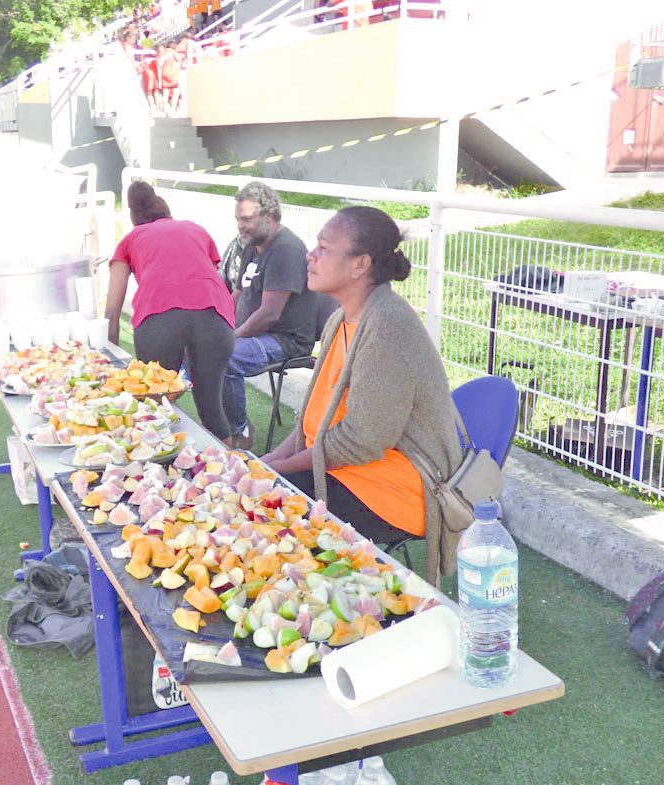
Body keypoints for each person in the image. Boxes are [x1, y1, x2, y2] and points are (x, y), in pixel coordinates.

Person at [262, 206, 464, 584]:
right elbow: (314, 423)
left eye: (324, 247)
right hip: (353, 468)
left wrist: (275, 472)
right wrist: (267, 461)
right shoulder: (341, 317)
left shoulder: (388, 326)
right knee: (260, 491)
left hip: (400, 490)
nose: (311, 255)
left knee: (271, 509)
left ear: (360, 265)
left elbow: (362, 441)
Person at [104, 181, 235, 439]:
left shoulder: (130, 240)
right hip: (216, 315)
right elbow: (206, 276)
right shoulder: (197, 230)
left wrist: (112, 360)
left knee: (153, 408)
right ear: (166, 211)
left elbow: (112, 309)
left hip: (158, 316)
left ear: (133, 218)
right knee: (211, 407)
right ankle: (229, 471)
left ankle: (160, 472)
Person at [221, 182, 316, 449]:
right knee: (201, 344)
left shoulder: (286, 249)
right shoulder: (253, 243)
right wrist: (216, 324)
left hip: (284, 340)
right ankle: (220, 423)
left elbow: (269, 314)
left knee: (225, 355)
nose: (241, 225)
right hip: (255, 333)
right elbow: (237, 294)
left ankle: (240, 432)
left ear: (269, 216)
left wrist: (231, 335)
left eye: (247, 219)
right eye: (238, 219)